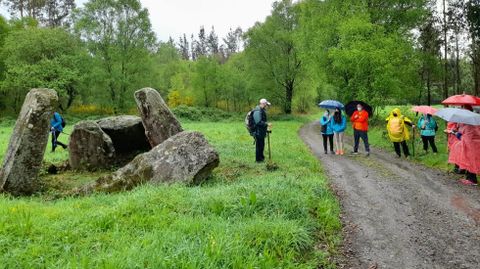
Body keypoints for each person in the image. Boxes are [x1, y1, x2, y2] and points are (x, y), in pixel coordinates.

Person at [253, 98, 271, 163]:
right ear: (263, 104)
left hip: (261, 131)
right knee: (259, 146)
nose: (267, 106)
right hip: (258, 131)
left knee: (262, 145)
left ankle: (261, 158)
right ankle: (258, 160)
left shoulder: (261, 110)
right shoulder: (258, 111)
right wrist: (266, 124)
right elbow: (258, 122)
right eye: (266, 105)